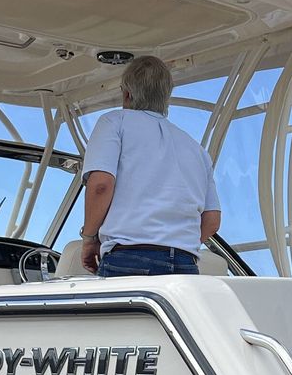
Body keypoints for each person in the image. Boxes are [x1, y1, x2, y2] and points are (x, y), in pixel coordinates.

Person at [77, 55, 221, 276]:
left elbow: (101, 186)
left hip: (127, 257)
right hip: (185, 265)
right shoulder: (196, 149)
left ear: (127, 93)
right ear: (166, 97)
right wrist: (173, 243)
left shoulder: (114, 122)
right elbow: (212, 220)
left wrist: (88, 239)